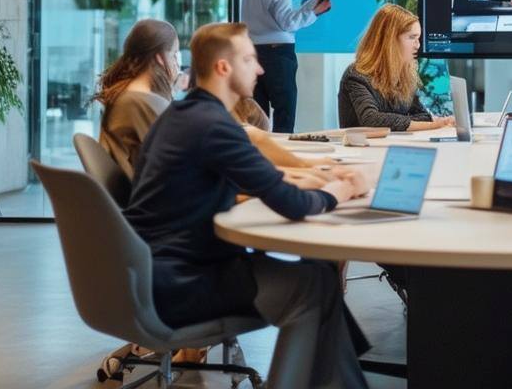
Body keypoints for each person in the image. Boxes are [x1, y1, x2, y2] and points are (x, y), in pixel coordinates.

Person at [125, 22, 371, 389]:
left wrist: (310, 178)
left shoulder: (181, 115)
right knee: (314, 284)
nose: (259, 69)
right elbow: (292, 204)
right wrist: (342, 190)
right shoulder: (215, 126)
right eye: (249, 59)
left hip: (152, 273)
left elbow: (257, 182)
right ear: (223, 67)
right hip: (181, 284)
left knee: (316, 271)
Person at [241, 0, 332, 132]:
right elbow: (287, 23)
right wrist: (314, 12)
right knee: (285, 117)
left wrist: (308, 6)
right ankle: (282, 161)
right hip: (276, 55)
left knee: (258, 120)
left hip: (253, 52)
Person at [338, 4, 455, 132]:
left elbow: (421, 115)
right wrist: (435, 124)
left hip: (390, 146)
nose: (418, 45)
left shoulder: (403, 75)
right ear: (390, 41)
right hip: (364, 150)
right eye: (412, 38)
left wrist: (439, 121)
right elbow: (371, 120)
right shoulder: (356, 75)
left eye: (418, 38)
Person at [93, 19, 180, 179]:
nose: (176, 63)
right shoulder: (140, 102)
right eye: (174, 54)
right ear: (160, 58)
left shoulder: (125, 91)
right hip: (150, 196)